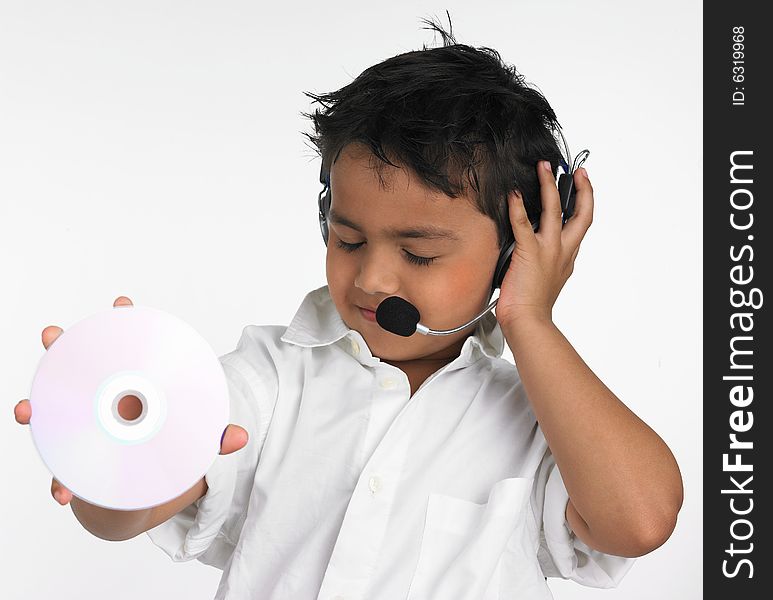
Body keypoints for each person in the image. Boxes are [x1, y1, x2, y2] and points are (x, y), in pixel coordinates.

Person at [14, 15, 683, 600]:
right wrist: (103, 452)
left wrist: (527, 318)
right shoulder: (270, 377)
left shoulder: (542, 424)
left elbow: (641, 521)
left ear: (514, 258)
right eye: (347, 238)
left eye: (418, 254)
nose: (370, 277)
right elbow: (122, 513)